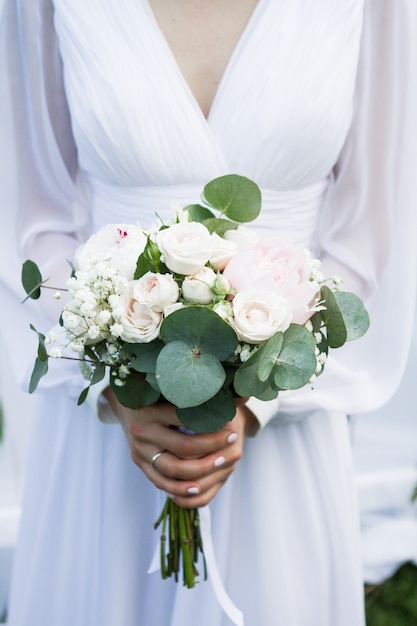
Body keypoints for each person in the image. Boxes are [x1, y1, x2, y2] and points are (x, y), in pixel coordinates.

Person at [0, 1, 416, 625]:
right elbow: (29, 213)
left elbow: (372, 228)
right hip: (106, 426)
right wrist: (119, 386)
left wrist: (260, 392)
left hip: (288, 420)